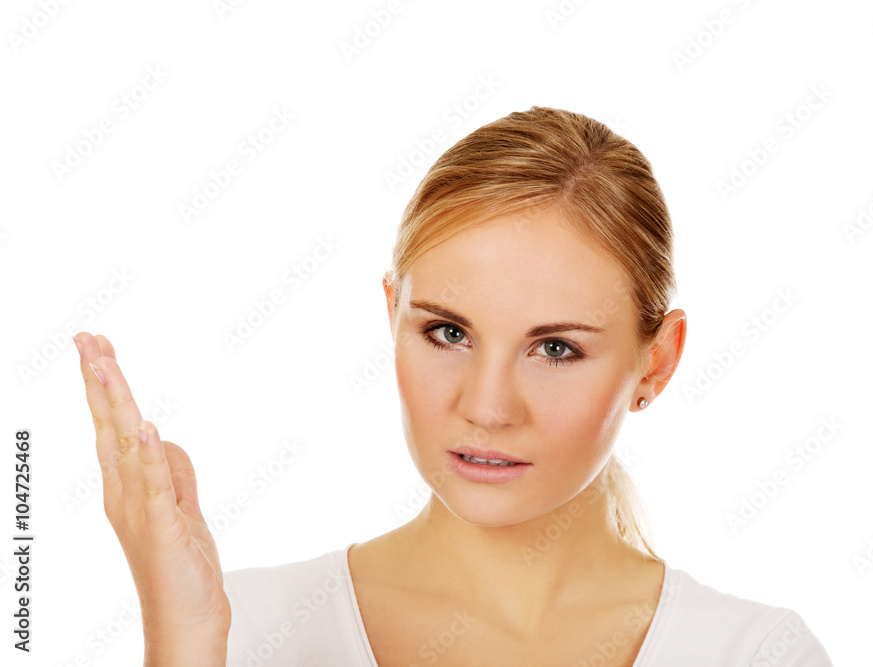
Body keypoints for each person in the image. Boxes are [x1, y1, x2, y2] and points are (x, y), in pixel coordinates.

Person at [74, 106, 834, 666]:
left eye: (556, 348)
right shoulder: (242, 629)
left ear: (656, 363)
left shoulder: (751, 653)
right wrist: (183, 643)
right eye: (448, 333)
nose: (486, 407)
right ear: (392, 315)